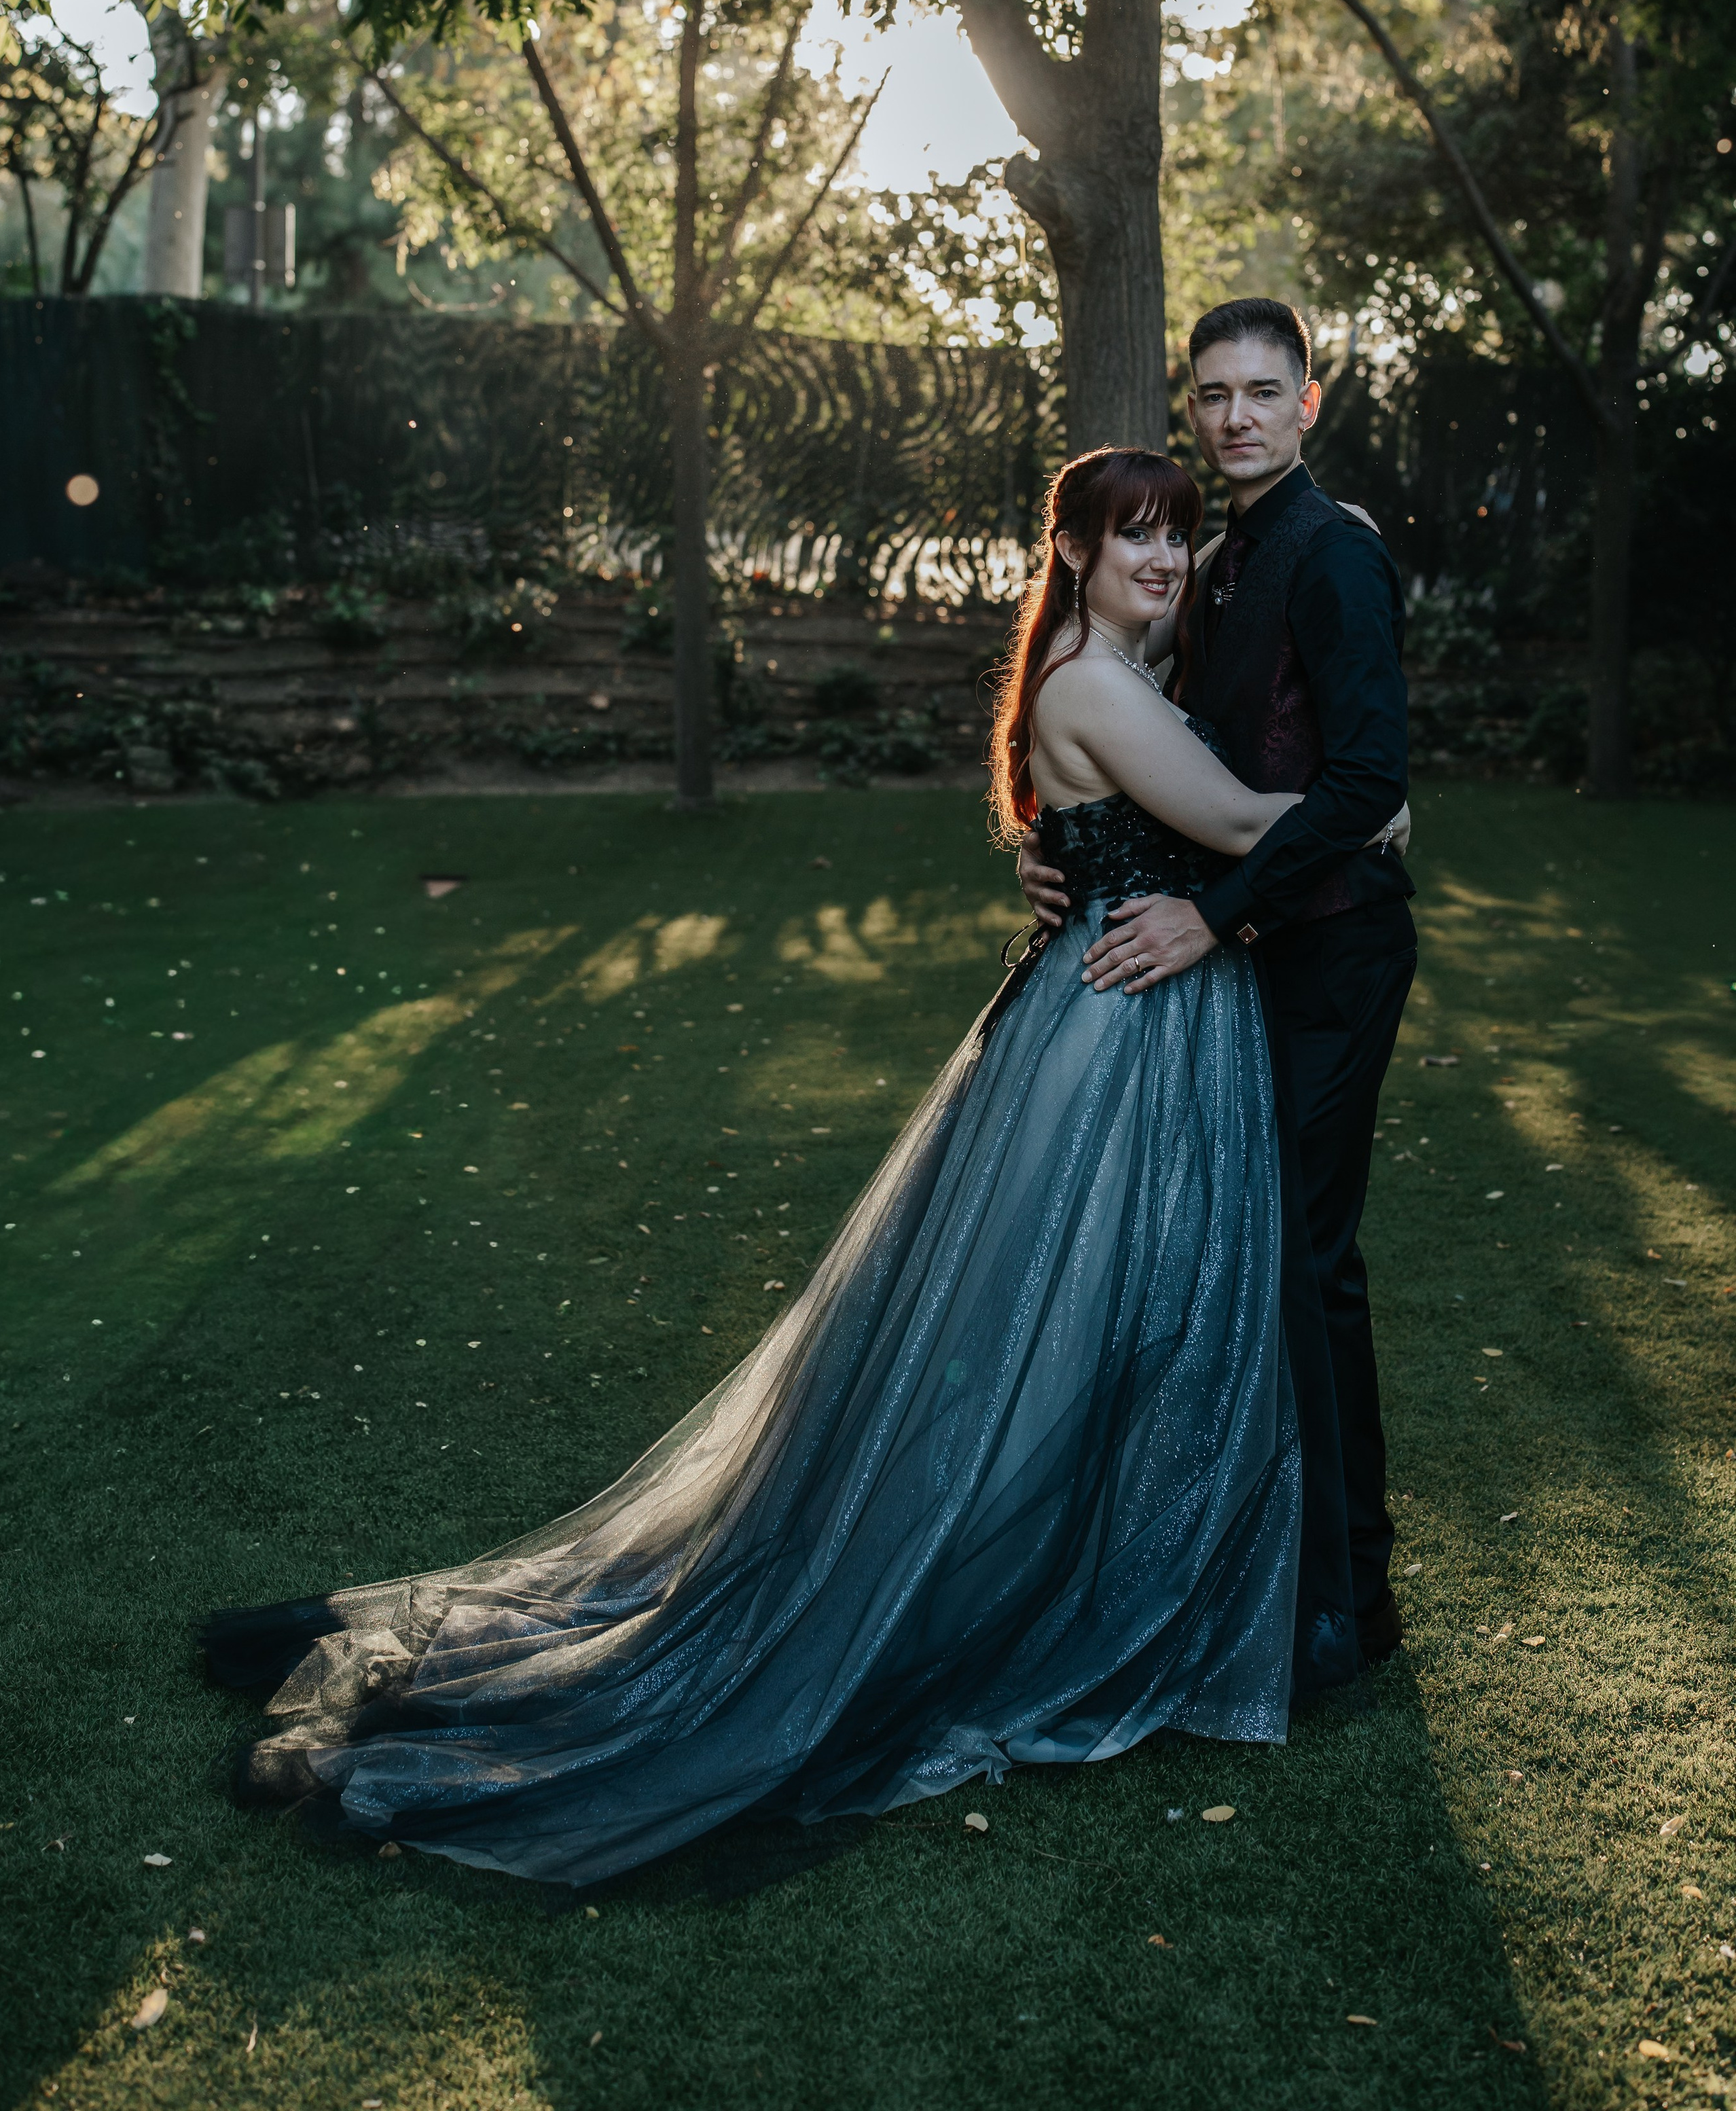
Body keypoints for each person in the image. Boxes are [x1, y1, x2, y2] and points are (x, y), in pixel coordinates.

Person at [202, 446, 1364, 1894]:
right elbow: (1245, 825)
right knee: (1052, 1330)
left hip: (1132, 1014)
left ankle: (1098, 1556)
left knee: (1113, 1321)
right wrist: (1373, 805)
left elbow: (1153, 830)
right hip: (1116, 1036)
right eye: (1130, 539)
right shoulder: (1092, 684)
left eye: (1177, 540)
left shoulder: (1109, 676)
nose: (1159, 563)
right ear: (1067, 553)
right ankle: (994, 1584)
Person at [1017, 298, 1415, 1668]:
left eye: (1261, 391)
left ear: (1306, 404)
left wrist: (1211, 912)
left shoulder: (1329, 555)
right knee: (1251, 1260)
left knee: (1304, 1263)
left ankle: (1344, 1601)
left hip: (1329, 943)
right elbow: (1150, 743)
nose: (1234, 414)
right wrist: (1058, 846)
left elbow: (1367, 777)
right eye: (1211, 394)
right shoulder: (1218, 558)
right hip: (1248, 941)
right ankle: (1262, 1561)